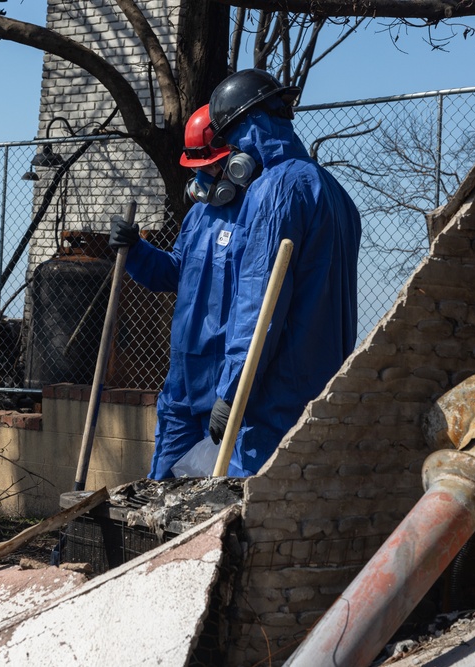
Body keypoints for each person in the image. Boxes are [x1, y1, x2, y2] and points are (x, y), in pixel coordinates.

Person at [204, 69, 361, 477]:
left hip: (275, 403)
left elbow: (259, 307)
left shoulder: (277, 188)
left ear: (249, 127)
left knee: (249, 521)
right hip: (323, 393)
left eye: (233, 140)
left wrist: (230, 392)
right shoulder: (335, 192)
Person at [109, 104, 248, 480]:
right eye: (198, 168)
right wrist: (136, 249)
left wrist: (233, 389)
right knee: (161, 483)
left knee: (219, 494)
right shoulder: (198, 216)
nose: (204, 176)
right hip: (183, 382)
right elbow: (175, 273)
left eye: (213, 165)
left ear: (238, 160)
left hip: (223, 380)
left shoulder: (256, 215)